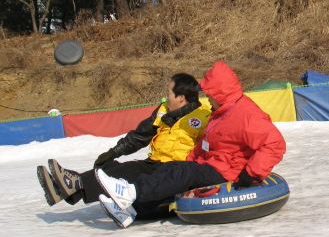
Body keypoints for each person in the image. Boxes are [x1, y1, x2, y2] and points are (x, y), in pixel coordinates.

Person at [96, 62, 287, 228]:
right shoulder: (221, 112)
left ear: (219, 94)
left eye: (210, 95)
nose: (207, 98)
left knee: (184, 173)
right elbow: (206, 144)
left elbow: (274, 144)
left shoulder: (247, 115)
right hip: (214, 164)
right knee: (174, 168)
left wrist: (252, 173)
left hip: (231, 170)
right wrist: (189, 160)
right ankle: (131, 210)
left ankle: (131, 191)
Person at [36, 73, 211, 218]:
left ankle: (73, 184)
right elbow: (139, 136)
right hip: (154, 162)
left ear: (181, 98)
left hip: (174, 169)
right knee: (113, 166)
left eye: (169, 93)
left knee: (128, 172)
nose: (166, 97)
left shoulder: (204, 117)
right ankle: (68, 189)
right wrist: (113, 152)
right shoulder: (163, 110)